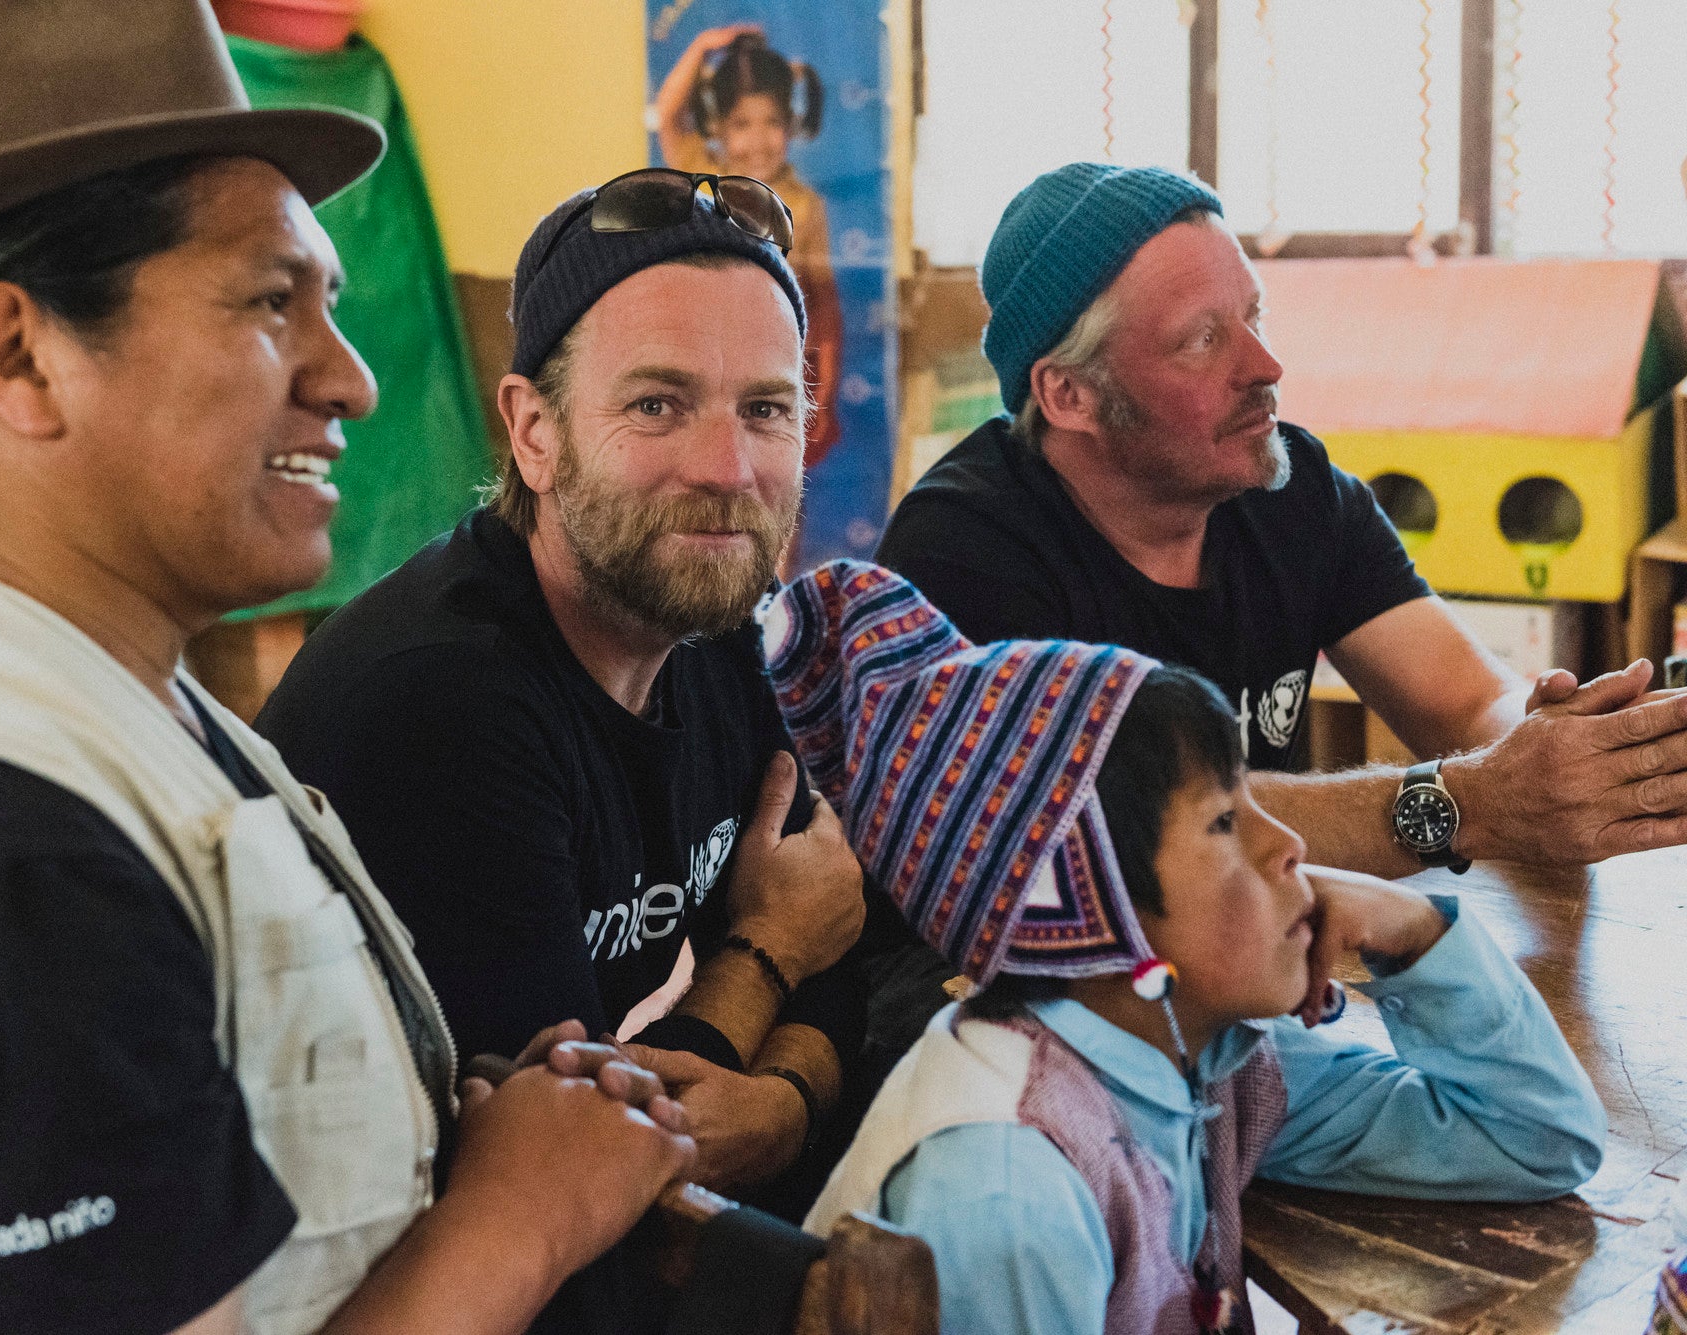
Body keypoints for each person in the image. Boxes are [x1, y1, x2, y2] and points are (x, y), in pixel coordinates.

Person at [0, 3, 694, 1332]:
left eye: (328, 304)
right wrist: (522, 1216)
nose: (353, 382)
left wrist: (451, 1115)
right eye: (272, 303)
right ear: (21, 355)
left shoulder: (103, 686)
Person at [770, 561, 1606, 1335]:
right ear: (1083, 906)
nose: (1289, 846)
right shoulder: (1009, 1190)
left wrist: (1413, 928)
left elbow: (1536, 1139)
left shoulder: (1197, 1054)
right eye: (1223, 821)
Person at [258, 176, 873, 1215]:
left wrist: (783, 1102)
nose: (726, 468)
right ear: (533, 433)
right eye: (656, 405)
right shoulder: (441, 704)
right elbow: (571, 1161)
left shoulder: (722, 627)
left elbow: (848, 934)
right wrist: (764, 953)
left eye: (765, 409)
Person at [876, 162, 1687, 879]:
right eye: (1201, 339)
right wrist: (1466, 801)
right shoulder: (964, 551)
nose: (1266, 367)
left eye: (1254, 318)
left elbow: (1470, 701)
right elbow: (1117, 835)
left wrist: (1554, 740)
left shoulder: (1292, 490)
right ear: (1069, 395)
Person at [654, 24, 845, 466]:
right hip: (700, 375)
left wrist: (824, 394)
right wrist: (702, 47)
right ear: (718, 127)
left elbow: (825, 310)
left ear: (793, 125)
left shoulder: (806, 207)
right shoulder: (700, 175)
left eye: (772, 123)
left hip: (772, 384)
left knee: (775, 507)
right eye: (742, 124)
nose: (758, 140)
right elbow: (665, 116)